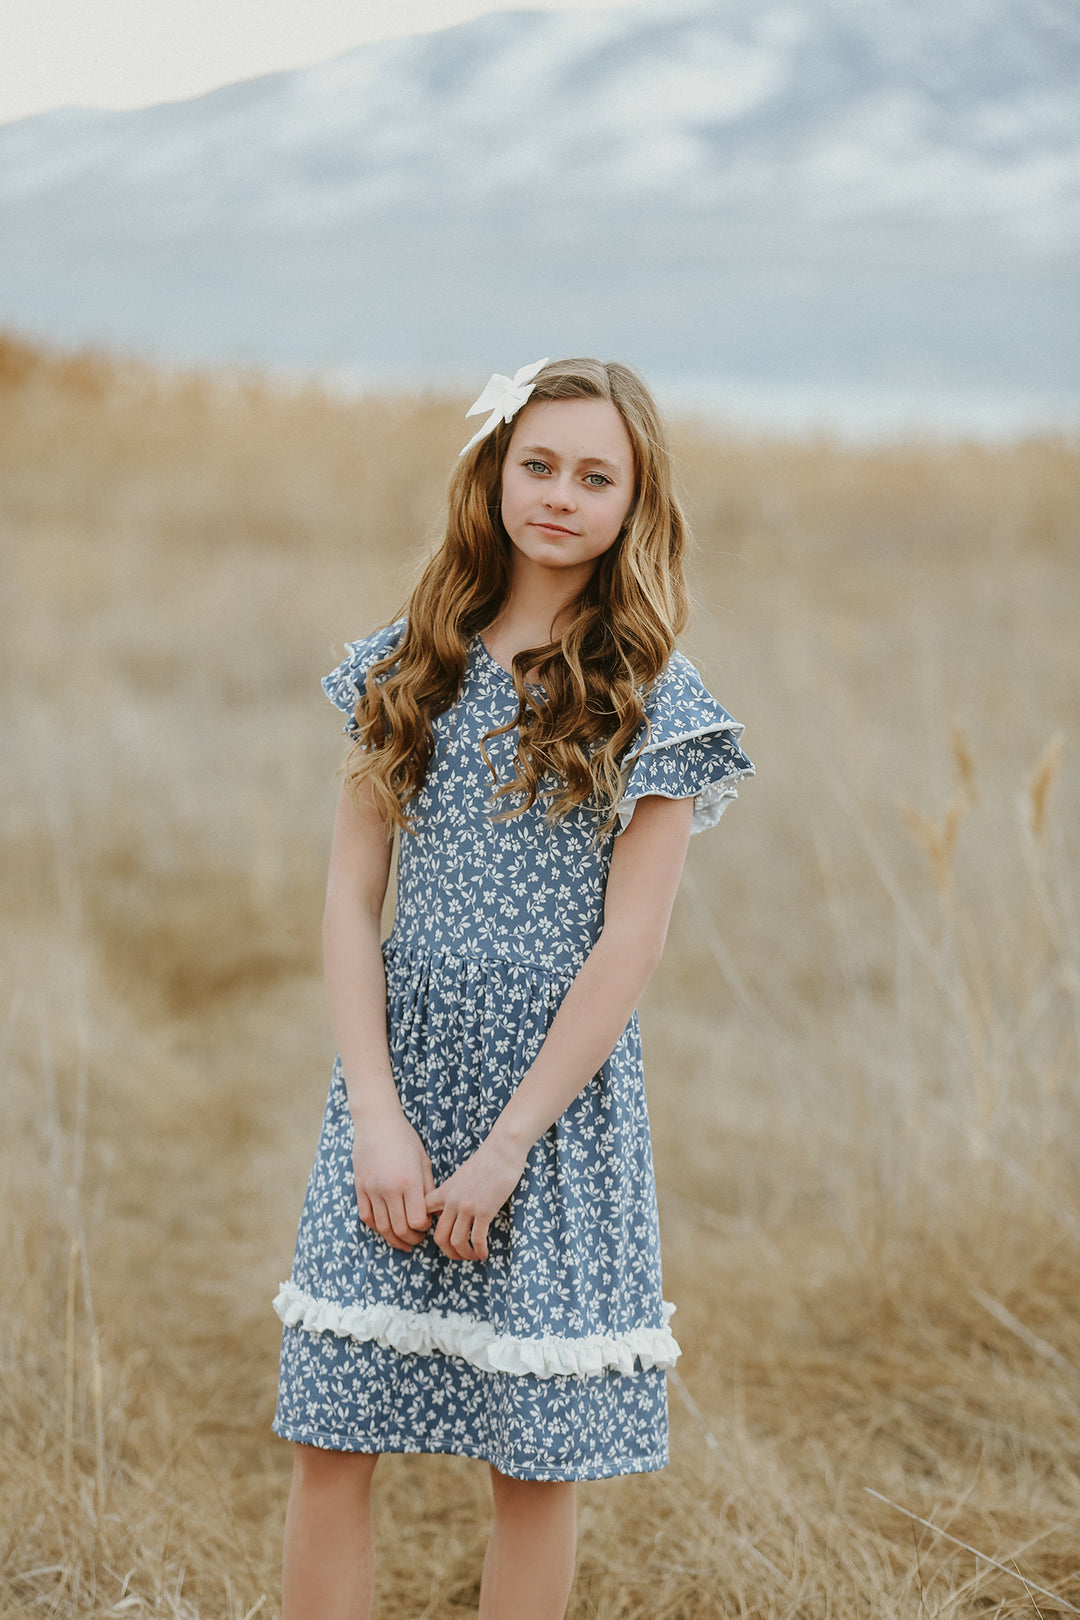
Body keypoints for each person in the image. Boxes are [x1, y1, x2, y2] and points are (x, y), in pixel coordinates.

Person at [272, 356, 754, 1620]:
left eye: (596, 476)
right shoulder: (408, 666)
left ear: (635, 503)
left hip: (551, 1110)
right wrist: (377, 1111)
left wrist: (505, 1150)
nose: (559, 495)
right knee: (334, 1426)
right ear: (493, 473)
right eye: (537, 464)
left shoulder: (654, 704)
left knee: (531, 1457)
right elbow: (346, 900)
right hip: (399, 1081)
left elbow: (627, 949)